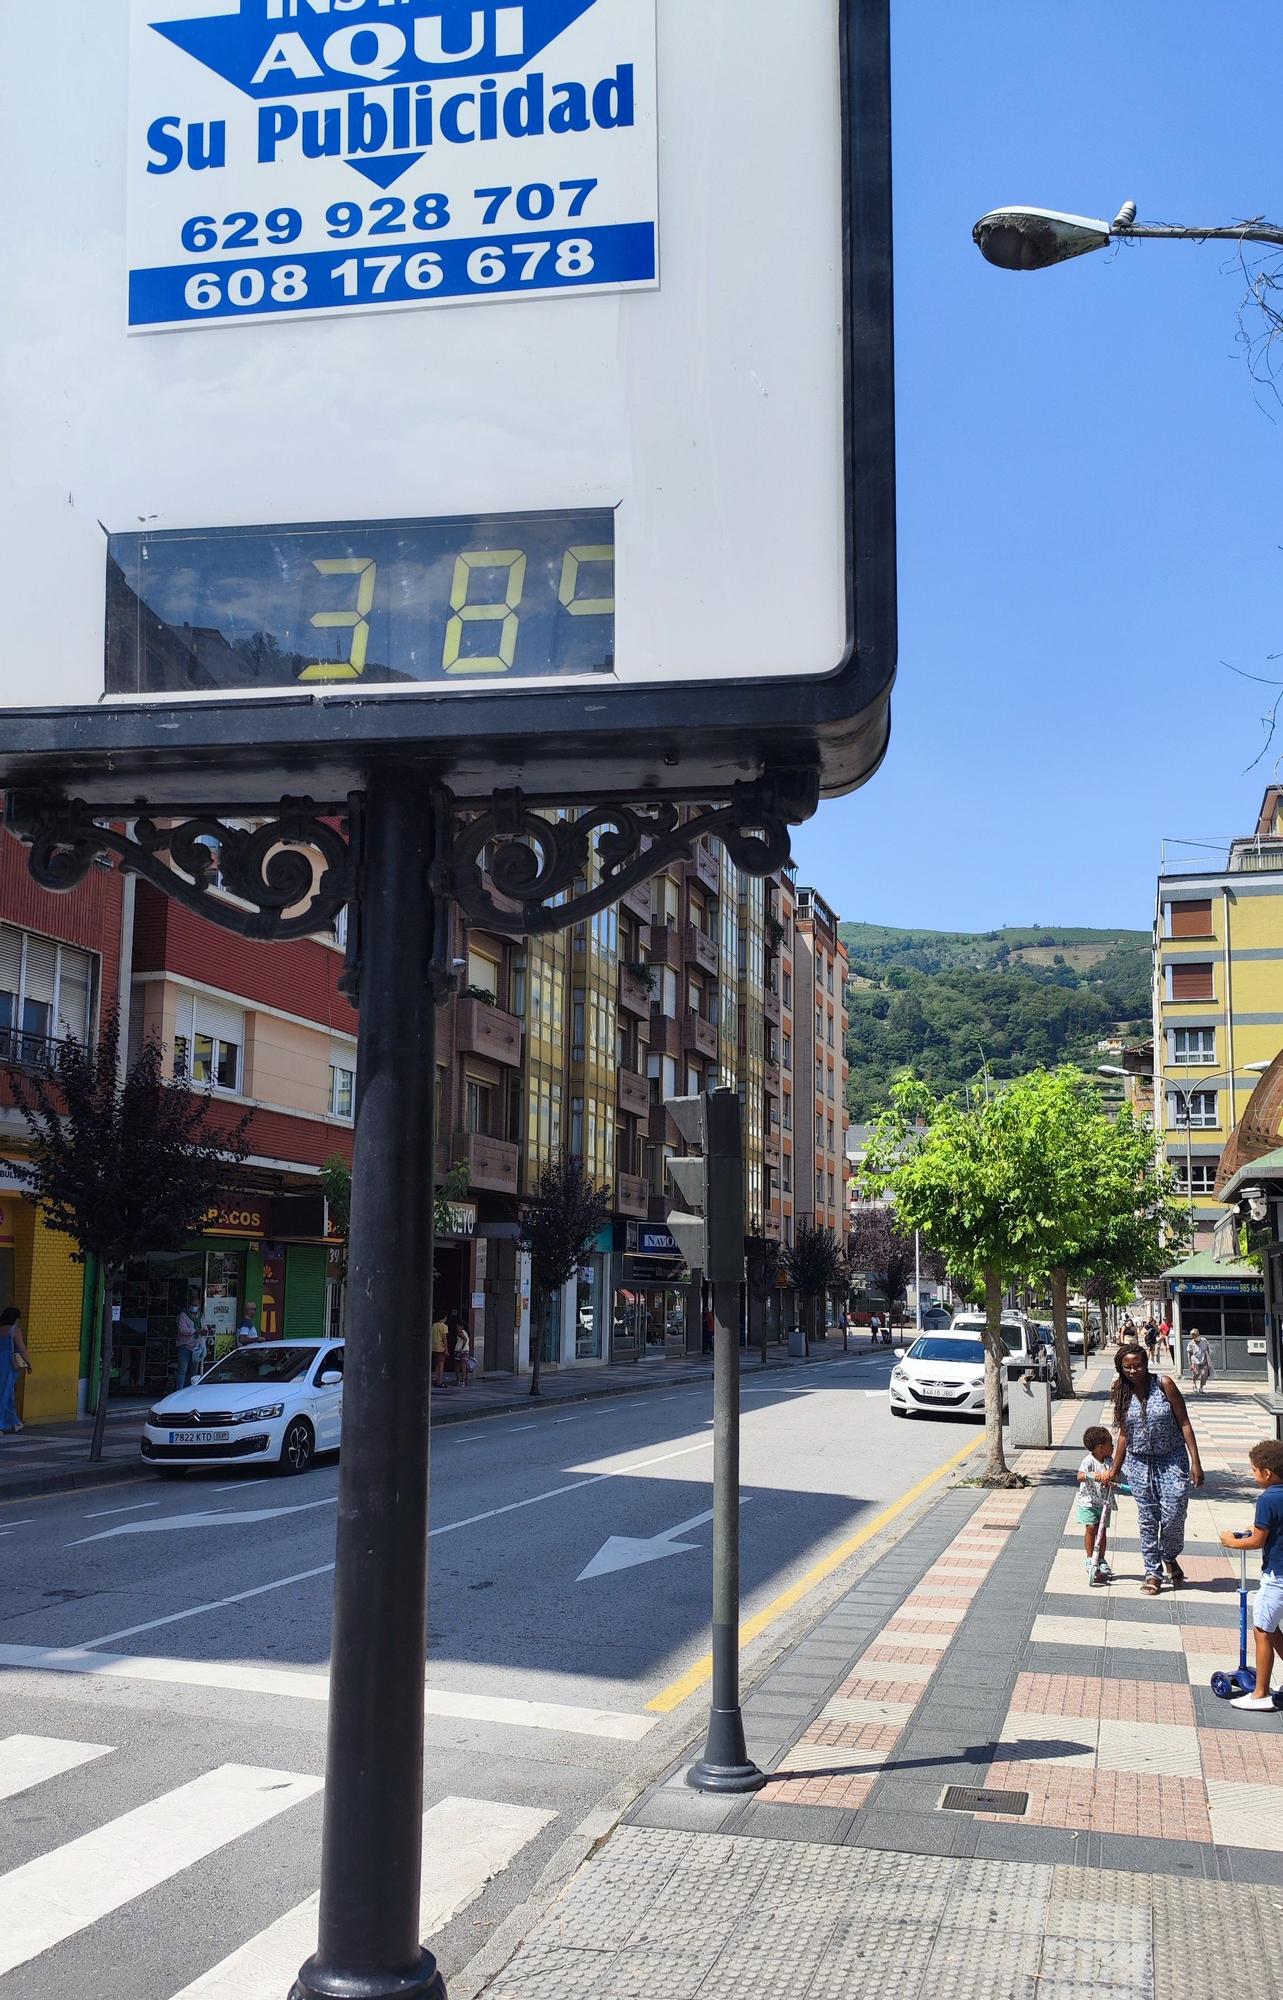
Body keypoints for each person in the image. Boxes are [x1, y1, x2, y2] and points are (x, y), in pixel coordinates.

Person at [1103, 1342, 1204, 1595]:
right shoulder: (1120, 1390)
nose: (1133, 1371)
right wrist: (1115, 1468)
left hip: (1172, 1458)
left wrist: (1196, 1462)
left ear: (1146, 1364)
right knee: (1148, 1519)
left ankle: (1169, 1555)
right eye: (1127, 1367)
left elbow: (1184, 1423)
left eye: (1137, 1365)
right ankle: (1153, 1572)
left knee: (1174, 1513)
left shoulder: (1164, 1384)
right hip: (1138, 1462)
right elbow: (1125, 1434)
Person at [1219, 1439, 1283, 1711]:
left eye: (1254, 1470)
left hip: (1276, 1576)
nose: (1253, 1474)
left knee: (1262, 1631)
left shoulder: (1267, 1498)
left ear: (1266, 1473)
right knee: (1275, 1629)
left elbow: (1257, 1540)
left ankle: (1260, 1694)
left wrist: (1231, 1541)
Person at [1077, 1425, 1117, 1584]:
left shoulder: (1109, 1461)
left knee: (1102, 1531)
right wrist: (1093, 1475)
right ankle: (1089, 1558)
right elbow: (1079, 1476)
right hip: (1088, 1502)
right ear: (1101, 1447)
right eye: (1110, 1444)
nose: (1113, 1447)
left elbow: (1116, 1475)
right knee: (1091, 1528)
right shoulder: (1088, 1461)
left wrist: (1112, 1479)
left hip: (1104, 1502)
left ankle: (1101, 1558)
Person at [0, 1305, 32, 1433]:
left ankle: (15, 1422)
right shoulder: (15, 1330)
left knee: (8, 1394)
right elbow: (22, 1349)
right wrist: (29, 1364)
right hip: (8, 1364)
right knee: (5, 1393)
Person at [175, 1298, 199, 1390]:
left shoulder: (200, 1316)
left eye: (196, 1305)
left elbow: (204, 1326)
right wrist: (195, 1331)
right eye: (193, 1305)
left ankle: (189, 1391)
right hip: (184, 1346)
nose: (194, 1307)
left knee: (193, 1372)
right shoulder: (183, 1315)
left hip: (196, 1347)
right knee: (182, 1370)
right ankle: (179, 1391)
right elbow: (182, 1330)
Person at [1186, 1327, 1213, 1396]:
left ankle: (1201, 1387)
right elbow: (1189, 1353)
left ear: (1197, 1334)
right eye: (1191, 1335)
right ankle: (1193, 1382)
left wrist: (1209, 1357)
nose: (1192, 1336)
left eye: (1193, 1334)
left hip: (1204, 1359)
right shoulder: (1191, 1343)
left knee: (1204, 1375)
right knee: (1197, 1373)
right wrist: (1190, 1363)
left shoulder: (1204, 1340)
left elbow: (1208, 1348)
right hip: (1195, 1360)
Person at [449, 1312, 471, 1389]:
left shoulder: (460, 1332)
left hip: (459, 1350)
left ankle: (459, 1380)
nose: (456, 1327)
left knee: (457, 1366)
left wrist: (461, 1348)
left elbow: (464, 1340)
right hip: (466, 1350)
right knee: (464, 1367)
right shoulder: (466, 1332)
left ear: (460, 1326)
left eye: (457, 1325)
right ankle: (463, 1381)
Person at [431, 1311, 449, 1390]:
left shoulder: (434, 1325)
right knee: (441, 1364)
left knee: (437, 1364)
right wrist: (446, 1349)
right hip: (440, 1347)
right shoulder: (444, 1326)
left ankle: (435, 1379)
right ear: (444, 1318)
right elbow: (444, 1338)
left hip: (433, 1347)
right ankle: (440, 1382)